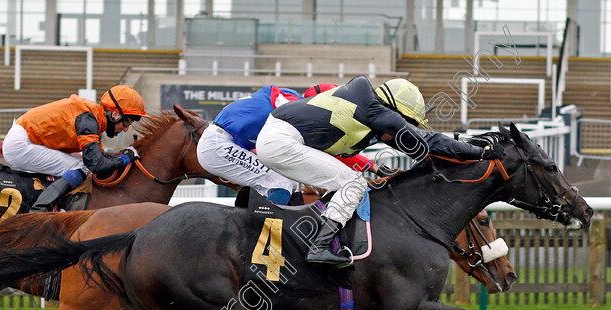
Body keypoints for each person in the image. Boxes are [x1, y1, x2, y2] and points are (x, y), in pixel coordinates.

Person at [256, 76, 505, 267]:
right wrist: (477, 152)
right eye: (404, 121)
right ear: (392, 110)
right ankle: (318, 246)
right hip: (281, 141)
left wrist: (462, 153)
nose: (402, 128)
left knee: (347, 184)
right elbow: (426, 140)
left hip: (281, 139)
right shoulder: (371, 108)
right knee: (352, 184)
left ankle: (318, 243)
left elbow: (419, 148)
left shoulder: (365, 110)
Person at [196, 84, 389, 206]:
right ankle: (258, 236)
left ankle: (250, 222)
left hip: (222, 142)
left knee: (283, 179)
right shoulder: (293, 105)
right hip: (219, 143)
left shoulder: (295, 107)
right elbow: (329, 155)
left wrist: (374, 168)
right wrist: (374, 168)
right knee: (281, 182)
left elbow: (326, 155)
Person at [1, 85, 147, 212]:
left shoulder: (94, 118)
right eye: (127, 121)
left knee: (81, 166)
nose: (126, 129)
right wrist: (125, 158)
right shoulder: (88, 120)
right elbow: (96, 165)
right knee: (80, 167)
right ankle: (39, 210)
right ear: (115, 114)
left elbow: (100, 158)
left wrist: (121, 156)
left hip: (27, 139)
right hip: (21, 144)